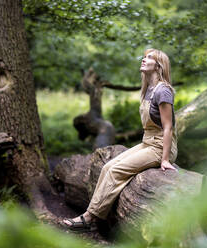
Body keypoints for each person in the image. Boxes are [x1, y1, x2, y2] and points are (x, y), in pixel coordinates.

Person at [63, 48, 178, 231]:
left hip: (159, 147)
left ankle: (88, 218)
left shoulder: (163, 91)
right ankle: (96, 212)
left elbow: (168, 127)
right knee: (107, 166)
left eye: (149, 58)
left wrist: (164, 159)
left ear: (158, 66)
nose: (143, 59)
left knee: (116, 170)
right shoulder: (149, 88)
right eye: (144, 56)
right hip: (148, 142)